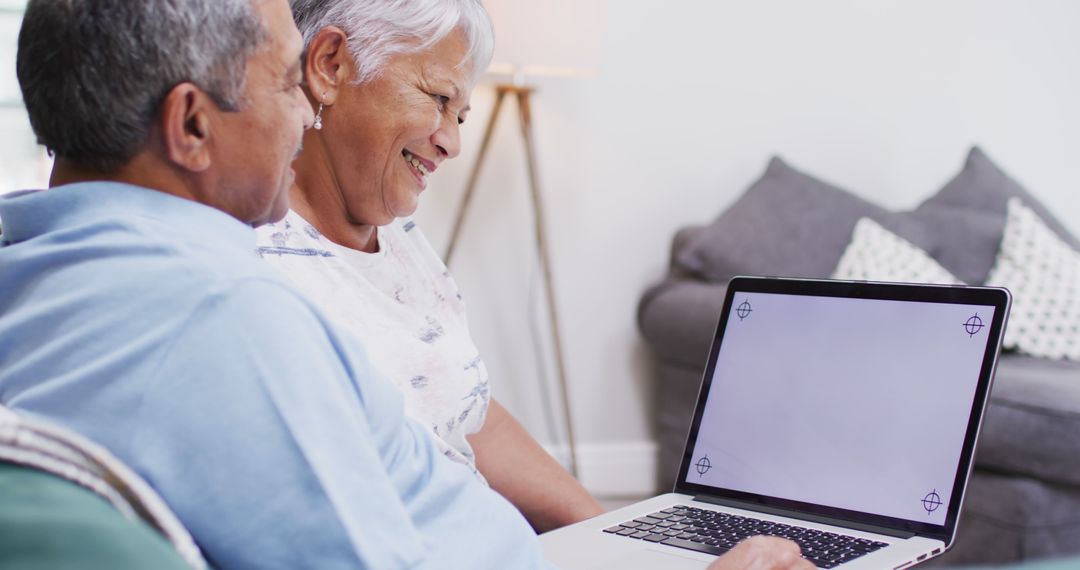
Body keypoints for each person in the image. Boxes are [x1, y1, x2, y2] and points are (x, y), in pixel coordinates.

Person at [0, 0, 811, 568]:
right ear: (192, 126)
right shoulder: (230, 316)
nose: (305, 112)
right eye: (288, 82)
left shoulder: (34, 269)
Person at [253, 0, 601, 532]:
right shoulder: (255, 257)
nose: (452, 141)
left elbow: (463, 413)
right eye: (439, 98)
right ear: (329, 65)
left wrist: (607, 533)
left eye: (459, 115)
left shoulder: (397, 236)